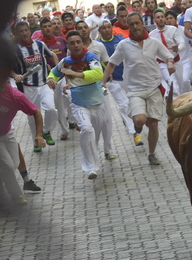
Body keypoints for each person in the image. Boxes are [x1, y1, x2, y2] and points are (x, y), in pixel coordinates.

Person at [102, 12, 175, 166]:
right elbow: (112, 63)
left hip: (154, 87)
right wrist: (103, 80)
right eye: (131, 24)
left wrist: (169, 63)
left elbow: (168, 55)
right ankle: (137, 125)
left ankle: (152, 153)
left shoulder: (153, 42)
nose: (135, 27)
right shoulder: (123, 45)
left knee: (154, 124)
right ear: (127, 26)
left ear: (142, 24)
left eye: (137, 23)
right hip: (135, 89)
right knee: (140, 119)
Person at [49, 31, 114, 179]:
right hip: (78, 104)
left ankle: (93, 161)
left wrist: (77, 74)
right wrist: (50, 79)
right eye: (72, 43)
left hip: (97, 104)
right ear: (68, 46)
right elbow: (54, 72)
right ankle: (91, 168)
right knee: (86, 130)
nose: (76, 45)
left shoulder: (90, 57)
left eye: (78, 42)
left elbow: (98, 74)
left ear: (82, 43)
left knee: (94, 138)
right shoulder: (65, 61)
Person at [0, 81, 47, 204]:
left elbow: (36, 113)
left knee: (14, 164)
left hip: (7, 133)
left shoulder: (16, 96)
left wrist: (39, 135)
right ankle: (17, 196)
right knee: (8, 166)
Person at [13, 20, 60, 152]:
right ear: (17, 34)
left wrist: (56, 71)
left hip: (44, 84)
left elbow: (53, 54)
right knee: (32, 115)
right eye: (21, 31)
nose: (24, 33)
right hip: (28, 87)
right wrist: (15, 75)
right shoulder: (15, 50)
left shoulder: (40, 44)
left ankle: (45, 131)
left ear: (30, 31)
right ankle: (36, 140)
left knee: (51, 109)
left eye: (26, 30)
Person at [98, 19, 143, 144]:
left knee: (132, 102)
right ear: (100, 31)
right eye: (103, 28)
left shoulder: (121, 41)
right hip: (112, 81)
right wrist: (104, 78)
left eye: (108, 27)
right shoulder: (98, 45)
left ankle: (132, 120)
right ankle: (135, 133)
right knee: (123, 105)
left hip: (128, 77)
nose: (106, 30)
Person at [151, 7, 187, 95]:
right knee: (173, 86)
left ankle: (180, 102)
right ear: (154, 20)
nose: (160, 19)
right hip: (163, 63)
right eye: (158, 17)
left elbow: (182, 43)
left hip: (176, 61)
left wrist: (177, 48)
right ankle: (174, 105)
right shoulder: (152, 35)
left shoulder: (173, 30)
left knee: (180, 85)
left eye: (162, 17)